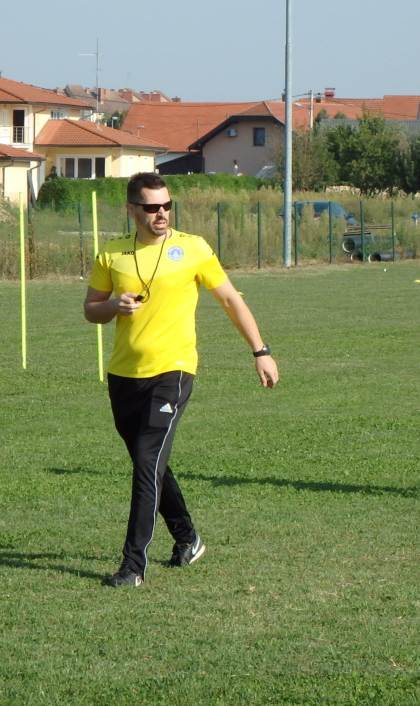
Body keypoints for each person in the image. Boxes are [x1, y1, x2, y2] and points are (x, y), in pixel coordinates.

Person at [84, 172, 279, 587]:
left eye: (167, 205)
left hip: (173, 371)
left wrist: (260, 351)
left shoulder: (193, 248)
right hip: (123, 375)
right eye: (152, 207)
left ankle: (133, 566)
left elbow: (230, 299)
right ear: (131, 210)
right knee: (150, 462)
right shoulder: (112, 253)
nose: (162, 213)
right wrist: (114, 306)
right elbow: (90, 310)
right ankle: (187, 538)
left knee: (146, 463)